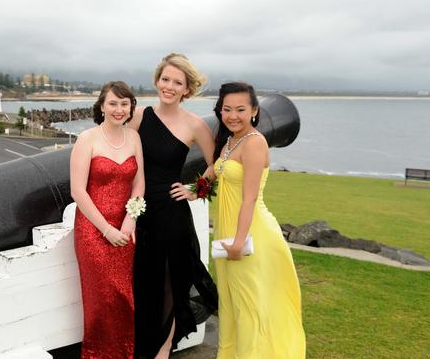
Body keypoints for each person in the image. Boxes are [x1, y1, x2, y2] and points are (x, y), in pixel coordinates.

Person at [127, 53, 218, 359]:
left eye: (177, 82)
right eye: (165, 79)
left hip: (172, 216)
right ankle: (143, 347)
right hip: (141, 213)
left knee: (171, 284)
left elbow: (216, 165)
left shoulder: (195, 125)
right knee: (144, 285)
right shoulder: (139, 116)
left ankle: (164, 349)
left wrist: (195, 190)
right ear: (156, 81)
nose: (169, 86)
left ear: (186, 90)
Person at [212, 82, 306, 358]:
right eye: (227, 109)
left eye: (240, 109)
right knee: (231, 304)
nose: (232, 115)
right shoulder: (231, 140)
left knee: (250, 304)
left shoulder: (254, 143)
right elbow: (216, 171)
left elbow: (249, 198)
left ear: (254, 110)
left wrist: (240, 242)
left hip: (251, 233)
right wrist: (193, 190)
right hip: (227, 229)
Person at [70, 81, 145, 359]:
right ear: (101, 106)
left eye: (124, 104)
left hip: (125, 229)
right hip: (93, 230)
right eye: (113, 103)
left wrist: (131, 220)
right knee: (101, 300)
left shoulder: (134, 138)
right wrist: (106, 230)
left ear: (130, 107)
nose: (118, 109)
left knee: (123, 297)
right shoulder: (87, 139)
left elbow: (139, 185)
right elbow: (77, 190)